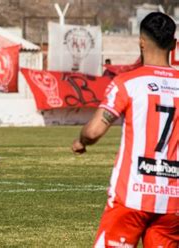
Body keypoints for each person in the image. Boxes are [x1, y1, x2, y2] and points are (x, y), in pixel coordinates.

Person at [72, 12, 178, 247]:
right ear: (174, 44)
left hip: (131, 195)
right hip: (172, 201)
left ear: (141, 41)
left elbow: (93, 132)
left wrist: (81, 141)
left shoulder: (128, 83)